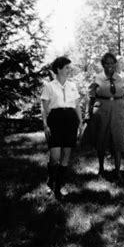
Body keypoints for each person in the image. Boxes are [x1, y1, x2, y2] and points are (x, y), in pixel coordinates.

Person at [41, 56, 82, 199]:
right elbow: (44, 108)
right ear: (58, 69)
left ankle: (58, 187)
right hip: (55, 120)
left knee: (66, 155)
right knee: (55, 156)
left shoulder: (72, 85)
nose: (69, 70)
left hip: (70, 120)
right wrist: (45, 124)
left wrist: (80, 122)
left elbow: (77, 105)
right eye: (66, 68)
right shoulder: (49, 86)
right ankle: (51, 179)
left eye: (69, 67)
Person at [87, 53, 124, 181]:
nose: (110, 66)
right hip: (102, 109)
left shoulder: (120, 78)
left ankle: (118, 170)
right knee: (101, 139)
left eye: (112, 63)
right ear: (103, 64)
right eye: (107, 63)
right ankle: (101, 168)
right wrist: (88, 113)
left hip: (119, 109)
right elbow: (91, 96)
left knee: (118, 139)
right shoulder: (97, 78)